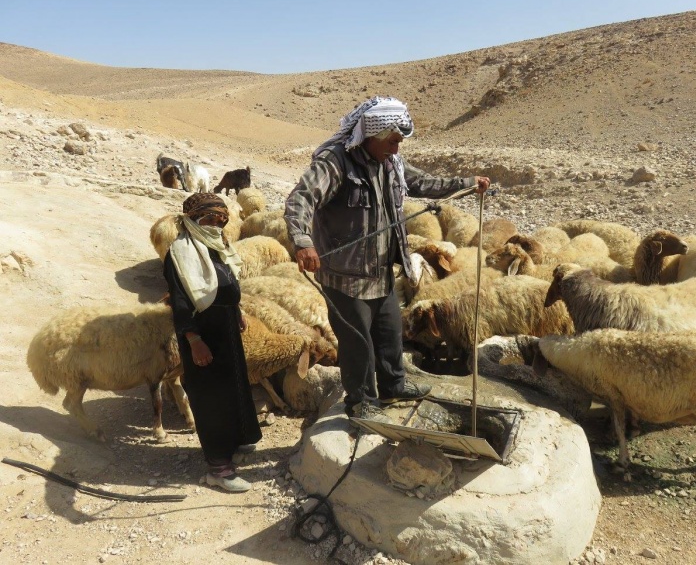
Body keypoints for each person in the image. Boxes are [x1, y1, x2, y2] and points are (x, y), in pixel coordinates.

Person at [284, 96, 490, 422]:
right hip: (345, 276)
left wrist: (467, 184)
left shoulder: (391, 163)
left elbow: (424, 182)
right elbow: (301, 198)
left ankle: (394, 386)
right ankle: (361, 402)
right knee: (357, 344)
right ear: (372, 133)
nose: (396, 148)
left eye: (399, 142)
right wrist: (302, 241)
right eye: (392, 141)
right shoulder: (336, 163)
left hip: (381, 272)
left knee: (390, 332)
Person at [163, 192, 262, 492]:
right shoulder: (179, 254)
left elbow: (226, 283)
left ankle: (234, 440)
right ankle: (218, 468)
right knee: (210, 396)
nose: (216, 225)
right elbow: (180, 302)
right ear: (193, 220)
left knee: (233, 386)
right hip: (203, 332)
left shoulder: (215, 246)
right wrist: (194, 340)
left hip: (226, 328)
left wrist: (237, 309)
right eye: (209, 219)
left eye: (221, 220)